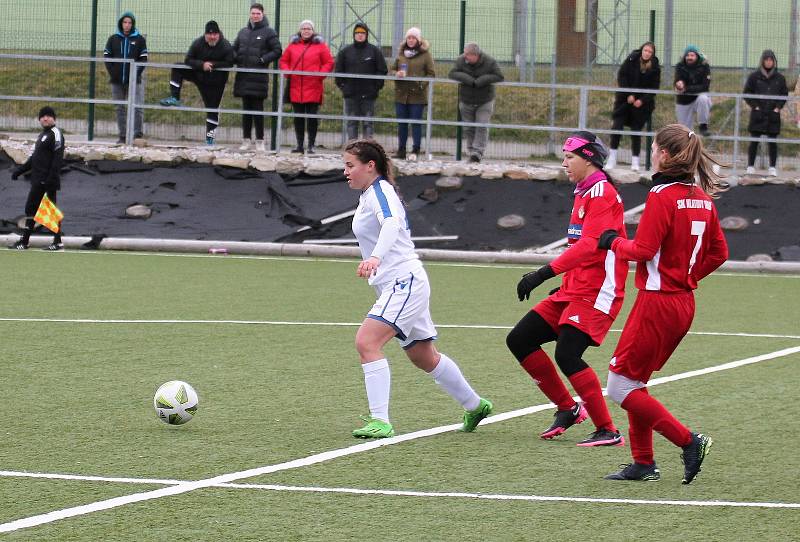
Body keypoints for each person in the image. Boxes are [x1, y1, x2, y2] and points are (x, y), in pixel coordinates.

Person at [598, 124, 728, 484]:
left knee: (619, 387)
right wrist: (687, 276)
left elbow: (642, 250)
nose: (652, 152)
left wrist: (611, 241)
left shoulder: (661, 195)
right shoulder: (701, 197)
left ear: (665, 156)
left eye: (654, 148)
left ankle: (689, 441)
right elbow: (720, 252)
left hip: (658, 304)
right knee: (633, 382)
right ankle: (642, 463)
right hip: (682, 302)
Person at [342, 139, 492, 438]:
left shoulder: (381, 191)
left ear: (369, 166)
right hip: (400, 282)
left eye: (350, 165)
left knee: (366, 343)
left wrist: (375, 257)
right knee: (423, 356)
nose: (345, 172)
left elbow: (392, 224)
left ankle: (380, 421)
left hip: (404, 282)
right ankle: (476, 405)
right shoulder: (370, 194)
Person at [506, 131, 627, 447]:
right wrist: (565, 281)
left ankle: (608, 429)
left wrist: (542, 274)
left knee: (568, 353)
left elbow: (589, 246)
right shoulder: (584, 190)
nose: (564, 163)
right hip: (577, 287)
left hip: (599, 290)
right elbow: (585, 248)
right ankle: (568, 409)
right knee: (520, 339)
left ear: (588, 159)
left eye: (569, 157)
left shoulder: (601, 193)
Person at [159, 21, 234, 145]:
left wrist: (213, 65)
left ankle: (210, 138)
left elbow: (230, 62)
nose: (212, 37)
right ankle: (174, 97)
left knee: (212, 110)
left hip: (216, 83)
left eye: (215, 34)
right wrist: (201, 65)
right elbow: (188, 59)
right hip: (199, 75)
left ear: (218, 34)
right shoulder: (198, 43)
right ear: (205, 35)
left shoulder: (225, 45)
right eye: (209, 34)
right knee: (178, 67)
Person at [9, 107, 65, 251]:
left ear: (54, 118)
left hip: (47, 181)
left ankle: (54, 242)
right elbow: (34, 158)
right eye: (42, 116)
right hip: (37, 180)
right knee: (33, 209)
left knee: (47, 210)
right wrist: (19, 171)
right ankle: (27, 241)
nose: (45, 118)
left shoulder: (56, 133)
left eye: (48, 116)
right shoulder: (42, 135)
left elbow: (57, 159)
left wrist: (51, 179)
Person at [232, 3, 282, 152]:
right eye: (253, 13)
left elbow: (277, 50)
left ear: (263, 14)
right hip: (243, 77)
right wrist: (237, 58)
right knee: (246, 110)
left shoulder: (269, 32)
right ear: (250, 14)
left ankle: (260, 141)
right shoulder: (243, 32)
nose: (255, 16)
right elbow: (234, 50)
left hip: (258, 79)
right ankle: (246, 140)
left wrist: (263, 60)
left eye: (258, 13)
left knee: (258, 110)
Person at [279, 20, 334, 154]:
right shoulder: (292, 46)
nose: (306, 31)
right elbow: (283, 61)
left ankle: (311, 145)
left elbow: (329, 61)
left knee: (312, 118)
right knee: (298, 118)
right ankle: (299, 145)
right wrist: (288, 72)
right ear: (300, 30)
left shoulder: (321, 46)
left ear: (312, 30)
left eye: (308, 28)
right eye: (303, 28)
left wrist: (320, 75)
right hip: (296, 87)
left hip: (313, 86)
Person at [607, 42, 660, 171]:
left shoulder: (655, 68)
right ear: (642, 50)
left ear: (652, 54)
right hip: (624, 101)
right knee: (617, 127)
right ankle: (612, 158)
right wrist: (629, 94)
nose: (647, 53)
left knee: (636, 130)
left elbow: (654, 88)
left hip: (641, 105)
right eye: (645, 50)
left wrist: (641, 100)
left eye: (650, 52)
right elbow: (622, 76)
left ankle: (635, 161)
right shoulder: (631, 60)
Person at [448, 42, 504, 163]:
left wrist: (481, 80)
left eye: (468, 55)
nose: (465, 57)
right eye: (465, 54)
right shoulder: (461, 60)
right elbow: (452, 73)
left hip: (485, 100)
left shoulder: (490, 61)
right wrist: (469, 80)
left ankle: (477, 153)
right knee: (469, 127)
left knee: (482, 126)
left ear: (476, 55)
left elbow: (499, 76)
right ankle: (471, 150)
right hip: (466, 100)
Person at [335, 22, 388, 141]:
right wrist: (344, 87)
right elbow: (338, 71)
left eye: (362, 33)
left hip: (369, 95)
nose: (360, 35)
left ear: (367, 35)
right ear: (354, 34)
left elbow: (382, 69)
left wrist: (376, 87)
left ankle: (367, 148)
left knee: (368, 123)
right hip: (351, 94)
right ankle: (352, 148)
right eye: (357, 33)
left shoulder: (374, 51)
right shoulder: (345, 51)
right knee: (352, 123)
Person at [103, 11, 148, 143]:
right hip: (117, 81)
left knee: (137, 107)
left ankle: (137, 135)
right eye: (125, 22)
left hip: (135, 81)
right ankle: (123, 136)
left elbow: (143, 59)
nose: (127, 25)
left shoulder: (139, 40)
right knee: (119, 108)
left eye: (129, 22)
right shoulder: (113, 39)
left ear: (132, 24)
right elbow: (107, 57)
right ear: (121, 23)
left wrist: (135, 74)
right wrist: (113, 73)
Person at [743, 49, 788, 176]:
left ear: (774, 62)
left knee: (772, 141)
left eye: (771, 60)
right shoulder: (754, 76)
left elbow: (784, 94)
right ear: (762, 61)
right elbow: (747, 93)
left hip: (773, 114)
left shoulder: (780, 78)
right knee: (754, 141)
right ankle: (750, 166)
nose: (768, 62)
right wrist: (755, 106)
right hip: (758, 113)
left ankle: (772, 167)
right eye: (766, 60)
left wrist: (778, 107)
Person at [392, 27, 435, 161]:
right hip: (401, 95)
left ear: (418, 40)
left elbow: (431, 74)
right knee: (402, 123)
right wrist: (396, 74)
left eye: (413, 38)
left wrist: (421, 84)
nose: (411, 40)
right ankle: (401, 150)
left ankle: (415, 150)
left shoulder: (425, 55)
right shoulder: (401, 54)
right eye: (409, 38)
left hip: (417, 96)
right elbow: (392, 69)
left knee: (416, 123)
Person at [674, 45, 712, 136]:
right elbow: (677, 81)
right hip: (684, 100)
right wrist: (679, 85)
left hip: (698, 98)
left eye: (692, 55)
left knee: (703, 98)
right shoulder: (680, 66)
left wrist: (686, 88)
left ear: (697, 56)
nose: (689, 57)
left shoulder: (704, 66)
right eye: (687, 55)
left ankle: (703, 126)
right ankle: (687, 148)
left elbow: (705, 87)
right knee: (685, 133)